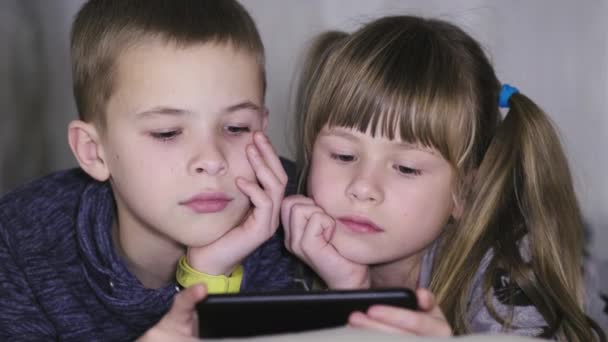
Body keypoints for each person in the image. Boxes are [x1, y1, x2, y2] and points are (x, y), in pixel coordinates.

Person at [283, 15, 607, 341]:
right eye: (343, 155)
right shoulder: (293, 247)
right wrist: (349, 291)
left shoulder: (512, 277)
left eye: (407, 168)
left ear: (463, 192)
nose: (363, 187)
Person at [0, 0, 304, 340]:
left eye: (236, 127)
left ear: (263, 126)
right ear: (93, 152)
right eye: (167, 133)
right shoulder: (18, 246)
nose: (212, 159)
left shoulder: (307, 221)